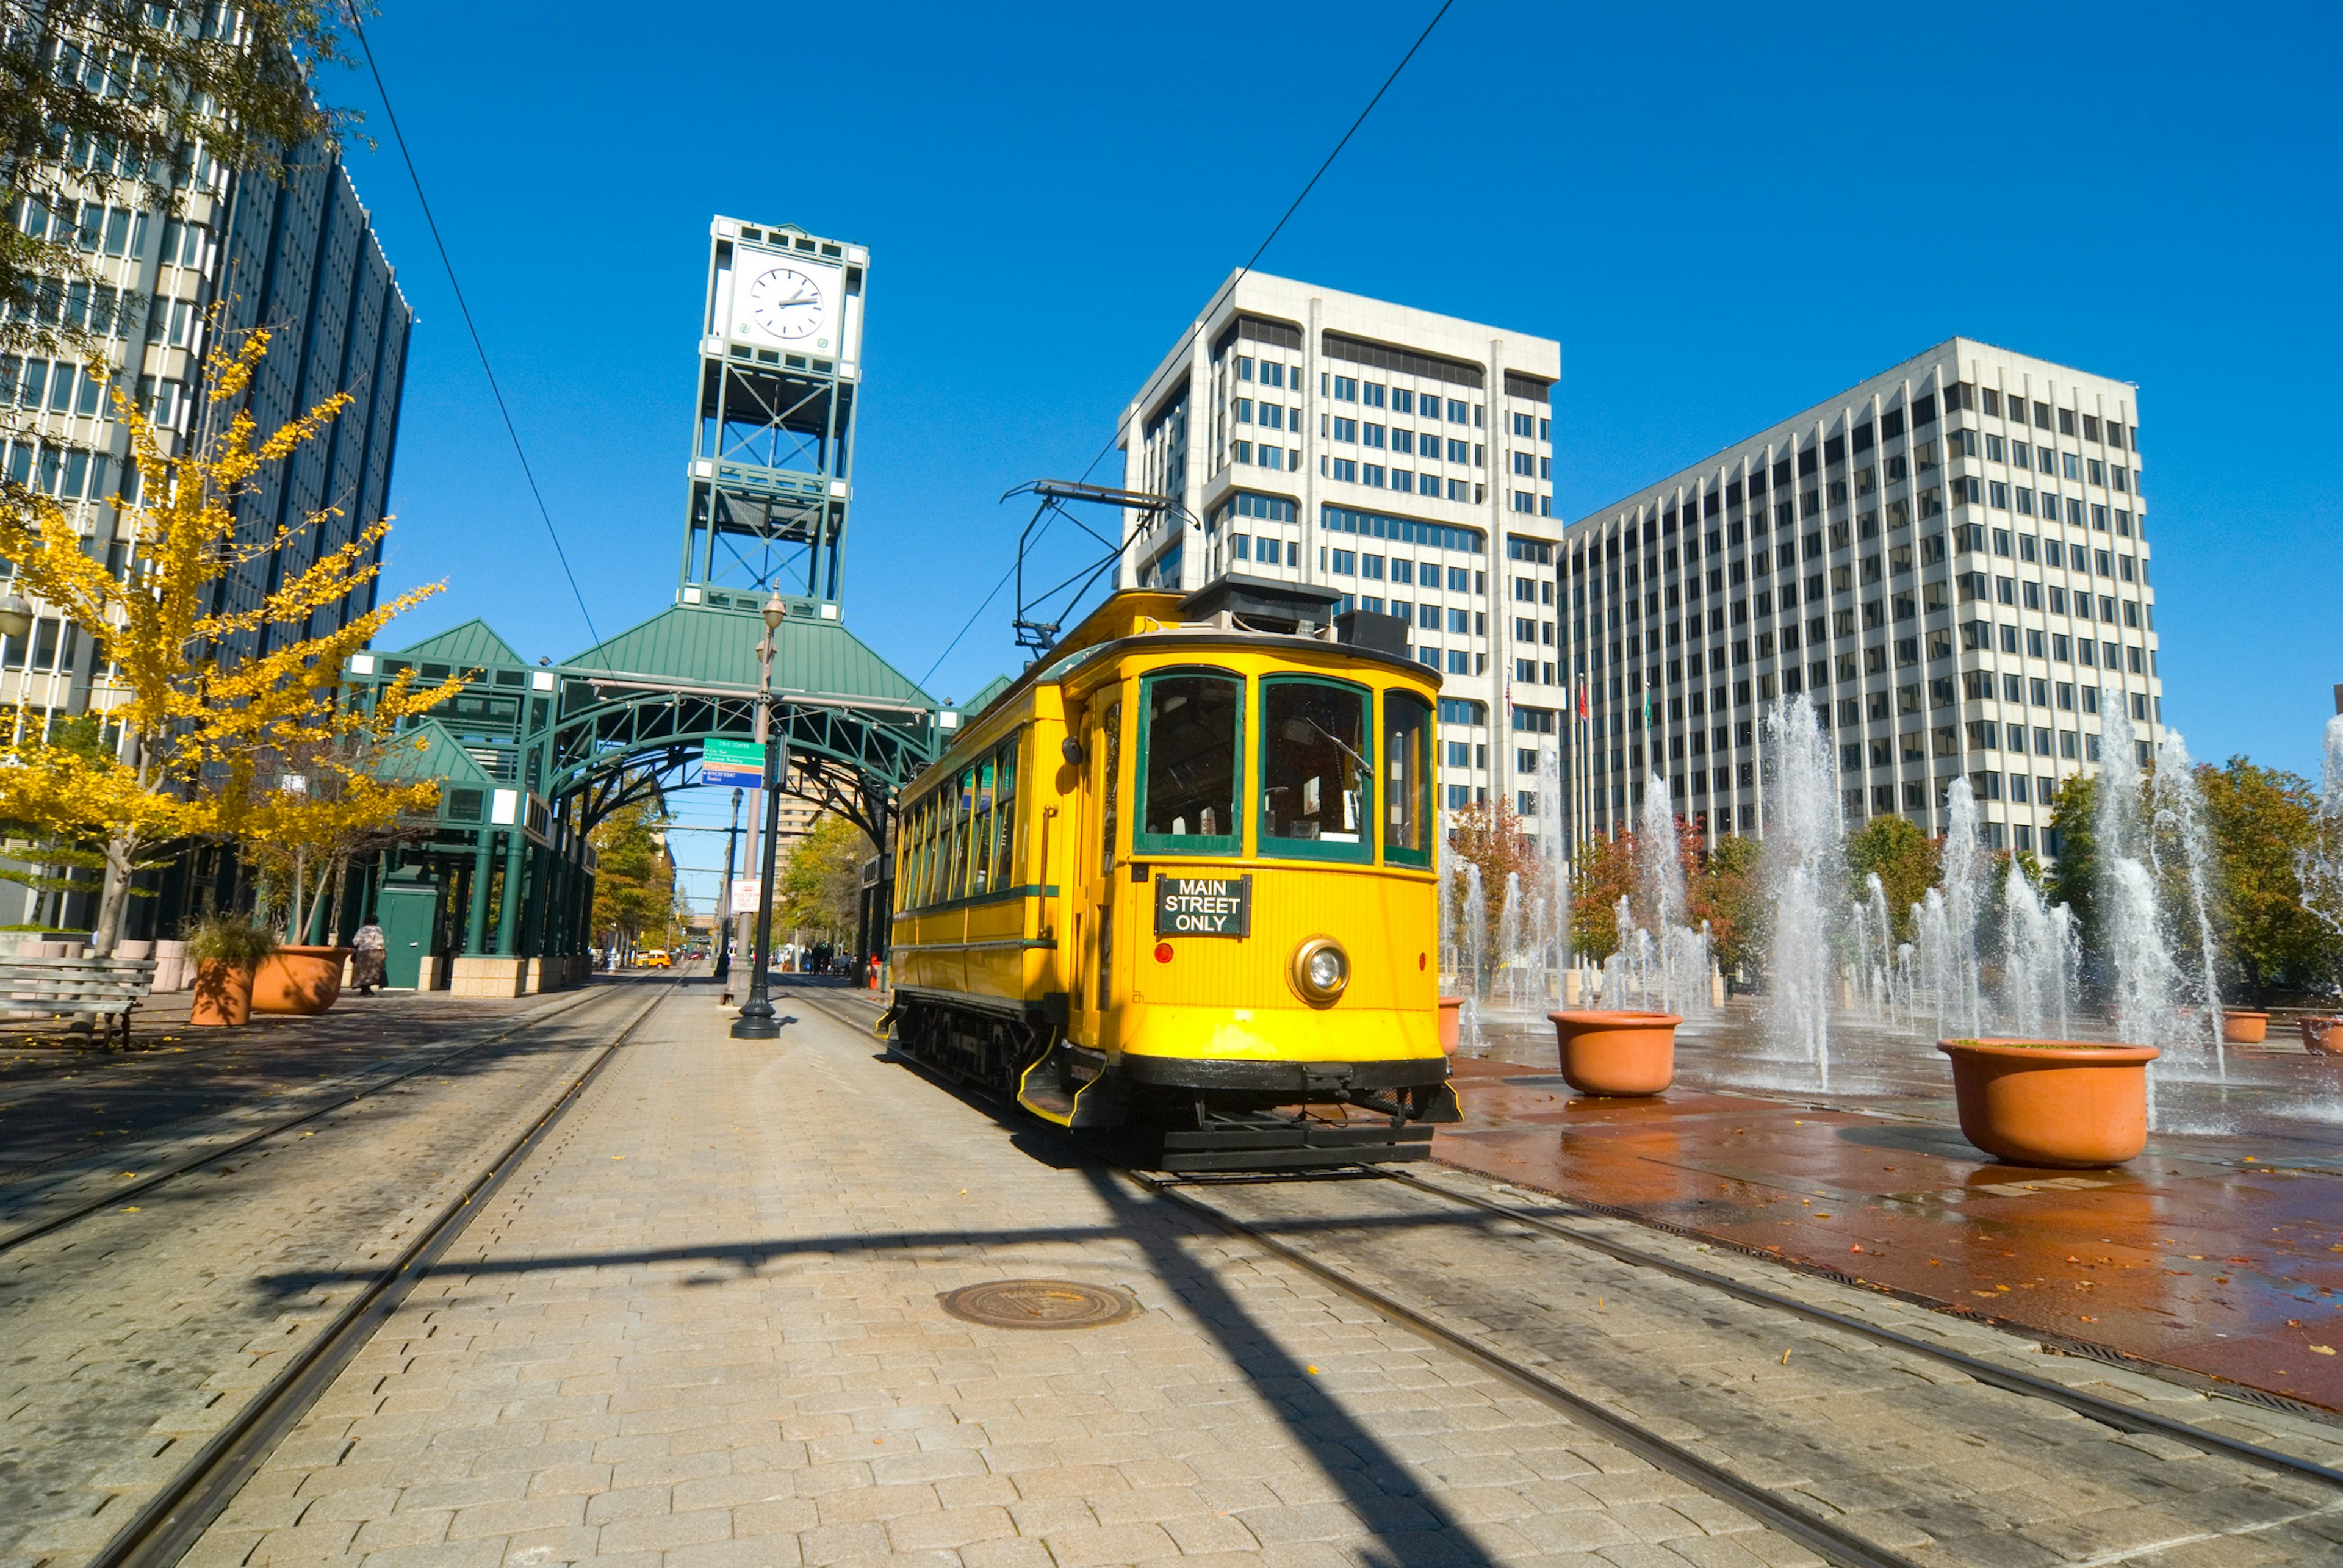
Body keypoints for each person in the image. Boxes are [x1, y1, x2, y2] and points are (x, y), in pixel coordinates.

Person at [351, 918, 387, 996]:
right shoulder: (377, 929)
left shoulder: (362, 930)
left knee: (363, 970)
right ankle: (367, 988)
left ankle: (364, 987)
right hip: (375, 951)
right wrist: (383, 952)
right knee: (372, 970)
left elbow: (356, 941)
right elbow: (380, 942)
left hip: (362, 952)